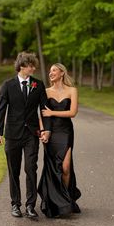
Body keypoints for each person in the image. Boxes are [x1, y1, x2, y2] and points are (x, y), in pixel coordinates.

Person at [0, 52, 50, 219]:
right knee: (14, 170)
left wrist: (46, 130)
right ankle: (15, 204)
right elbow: (1, 110)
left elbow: (44, 110)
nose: (34, 68)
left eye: (34, 65)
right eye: (31, 65)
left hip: (31, 134)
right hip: (12, 134)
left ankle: (31, 205)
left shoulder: (38, 85)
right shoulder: (8, 85)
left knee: (30, 168)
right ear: (22, 66)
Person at [38, 63, 81, 218]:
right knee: (53, 168)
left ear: (62, 73)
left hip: (66, 131)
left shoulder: (72, 90)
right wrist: (43, 132)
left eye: (54, 70)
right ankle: (59, 204)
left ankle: (65, 199)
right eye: (49, 71)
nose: (51, 73)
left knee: (66, 167)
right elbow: (43, 115)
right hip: (51, 133)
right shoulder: (45, 91)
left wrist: (52, 113)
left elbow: (73, 112)